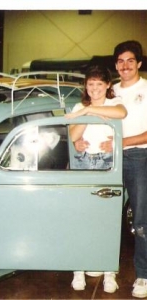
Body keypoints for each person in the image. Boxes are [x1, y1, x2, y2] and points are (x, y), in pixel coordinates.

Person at [74, 40, 147, 299]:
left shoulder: (146, 89)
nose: (125, 66)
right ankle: (103, 265)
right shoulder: (110, 90)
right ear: (115, 66)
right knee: (105, 215)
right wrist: (79, 141)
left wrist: (121, 142)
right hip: (107, 161)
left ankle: (143, 275)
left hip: (138, 156)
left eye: (130, 61)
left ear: (138, 63)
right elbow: (87, 122)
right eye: (120, 61)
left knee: (139, 219)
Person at [66, 64, 127, 293]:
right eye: (90, 84)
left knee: (107, 219)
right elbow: (73, 135)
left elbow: (121, 114)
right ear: (85, 85)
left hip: (108, 162)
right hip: (83, 161)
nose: (94, 89)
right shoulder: (79, 105)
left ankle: (109, 270)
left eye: (99, 84)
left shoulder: (113, 104)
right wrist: (84, 114)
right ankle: (79, 269)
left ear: (108, 85)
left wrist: (89, 111)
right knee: (81, 216)